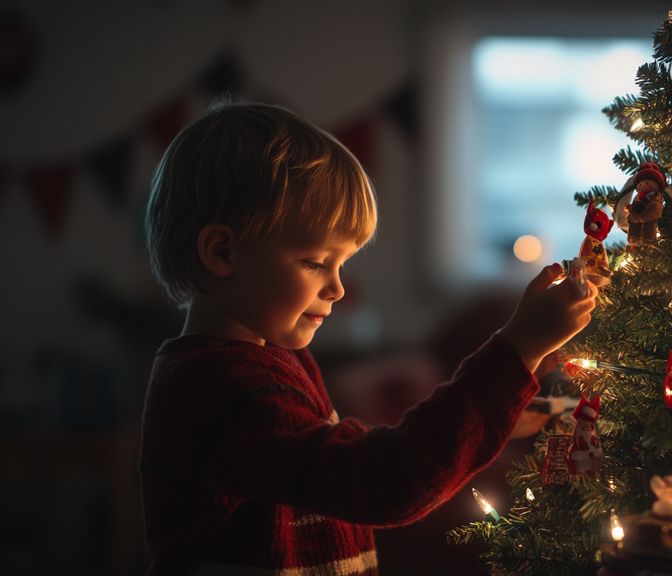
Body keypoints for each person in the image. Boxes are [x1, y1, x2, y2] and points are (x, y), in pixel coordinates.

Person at [138, 101, 597, 576]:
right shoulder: (221, 386)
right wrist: (519, 347)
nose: (337, 288)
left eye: (342, 264)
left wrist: (499, 419)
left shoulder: (266, 360)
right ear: (222, 252)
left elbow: (336, 452)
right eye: (316, 262)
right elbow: (382, 480)